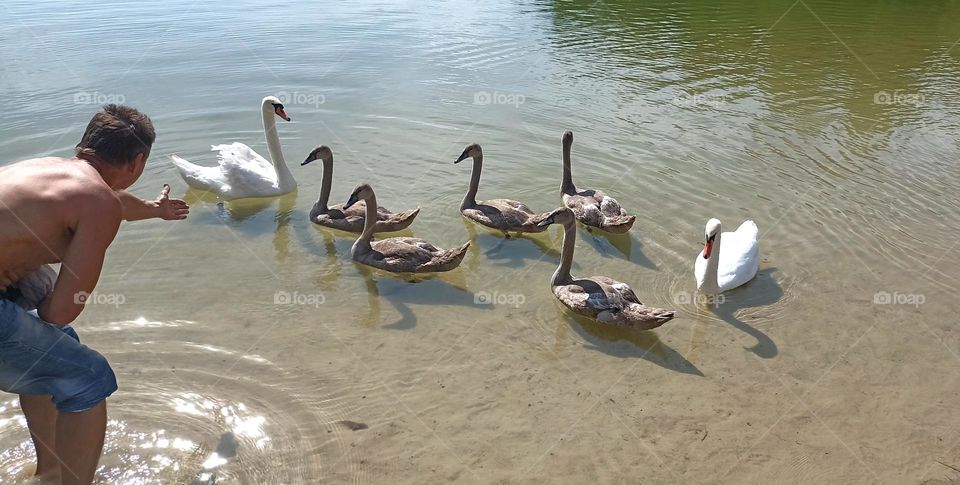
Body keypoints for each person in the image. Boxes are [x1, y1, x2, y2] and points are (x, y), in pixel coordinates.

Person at [0, 104, 189, 484]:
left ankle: (49, 472)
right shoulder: (98, 202)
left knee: (56, 352)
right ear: (137, 162)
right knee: (88, 376)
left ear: (86, 145)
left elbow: (112, 201)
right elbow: (60, 312)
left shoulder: (44, 172)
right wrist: (47, 287)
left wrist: (154, 210)